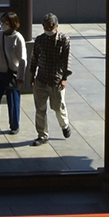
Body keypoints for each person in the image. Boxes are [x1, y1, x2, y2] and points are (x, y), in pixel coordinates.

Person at [29, 13, 73, 145]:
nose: (49, 29)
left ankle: (64, 125)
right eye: (46, 27)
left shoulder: (64, 40)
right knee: (40, 108)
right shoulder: (40, 40)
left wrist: (64, 78)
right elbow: (34, 57)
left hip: (56, 80)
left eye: (51, 26)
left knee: (58, 107)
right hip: (41, 79)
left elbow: (67, 60)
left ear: (56, 26)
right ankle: (42, 135)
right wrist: (32, 74)